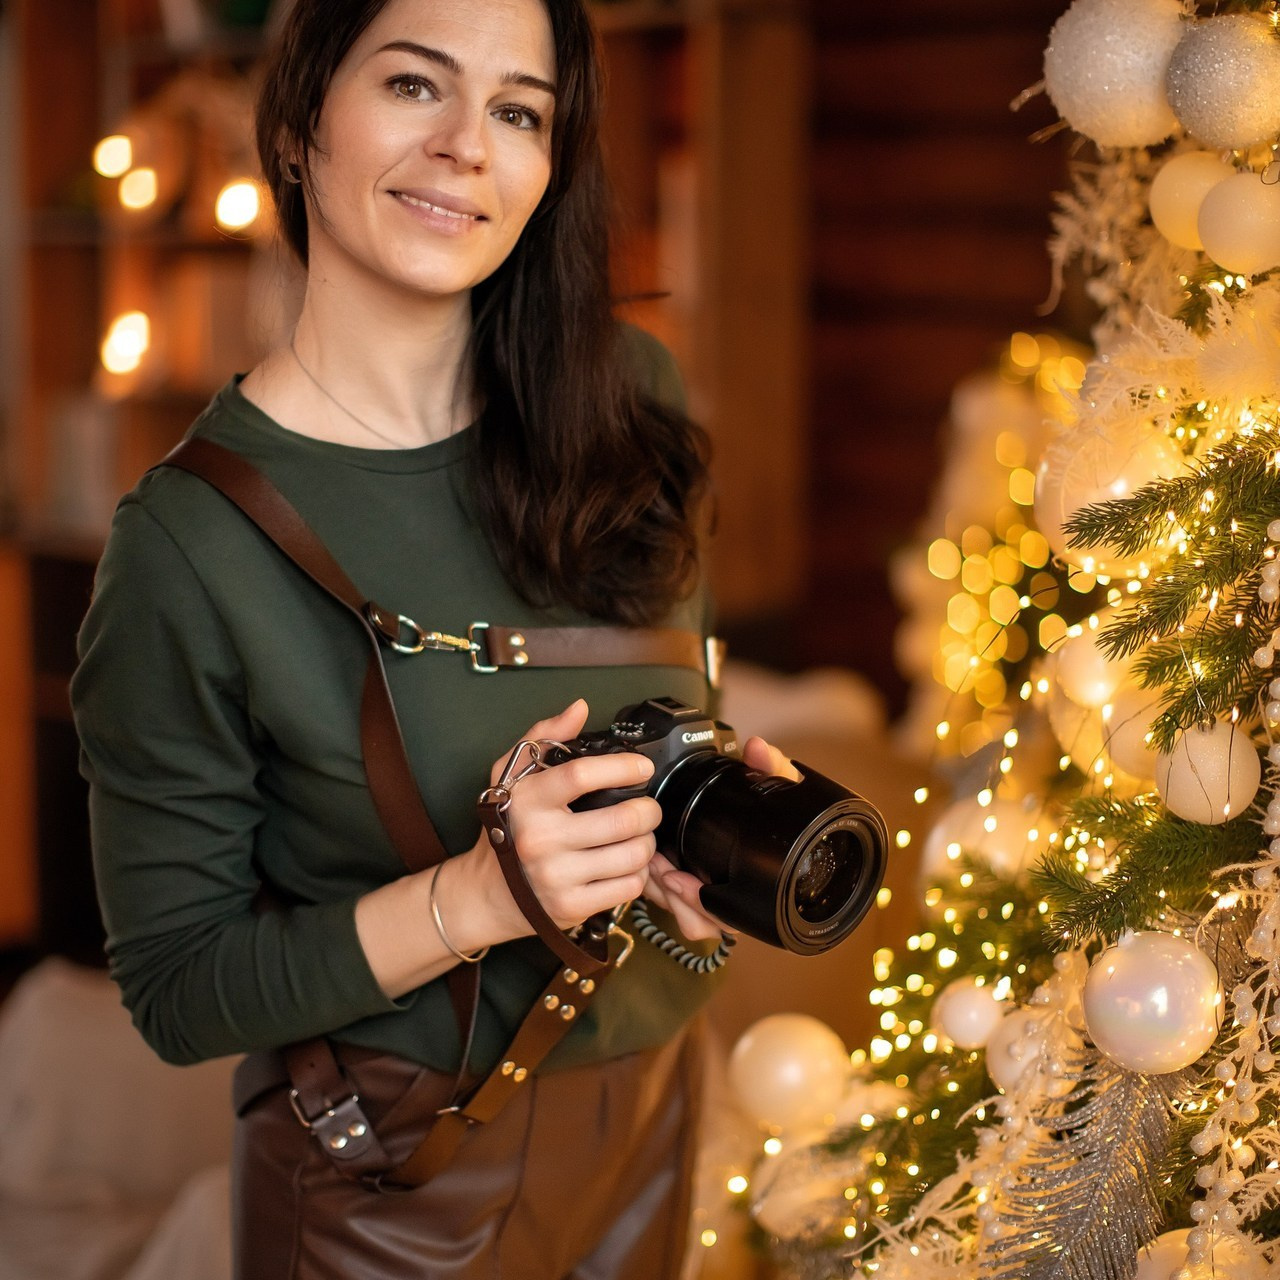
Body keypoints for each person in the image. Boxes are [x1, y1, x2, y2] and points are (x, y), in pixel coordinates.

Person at [72, 1, 797, 1277]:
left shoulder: (634, 399)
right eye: (415, 85)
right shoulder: (186, 545)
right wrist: (476, 897)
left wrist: (696, 837)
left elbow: (679, 700)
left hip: (657, 1103)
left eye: (518, 111)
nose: (469, 142)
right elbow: (178, 989)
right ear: (298, 125)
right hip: (390, 1169)